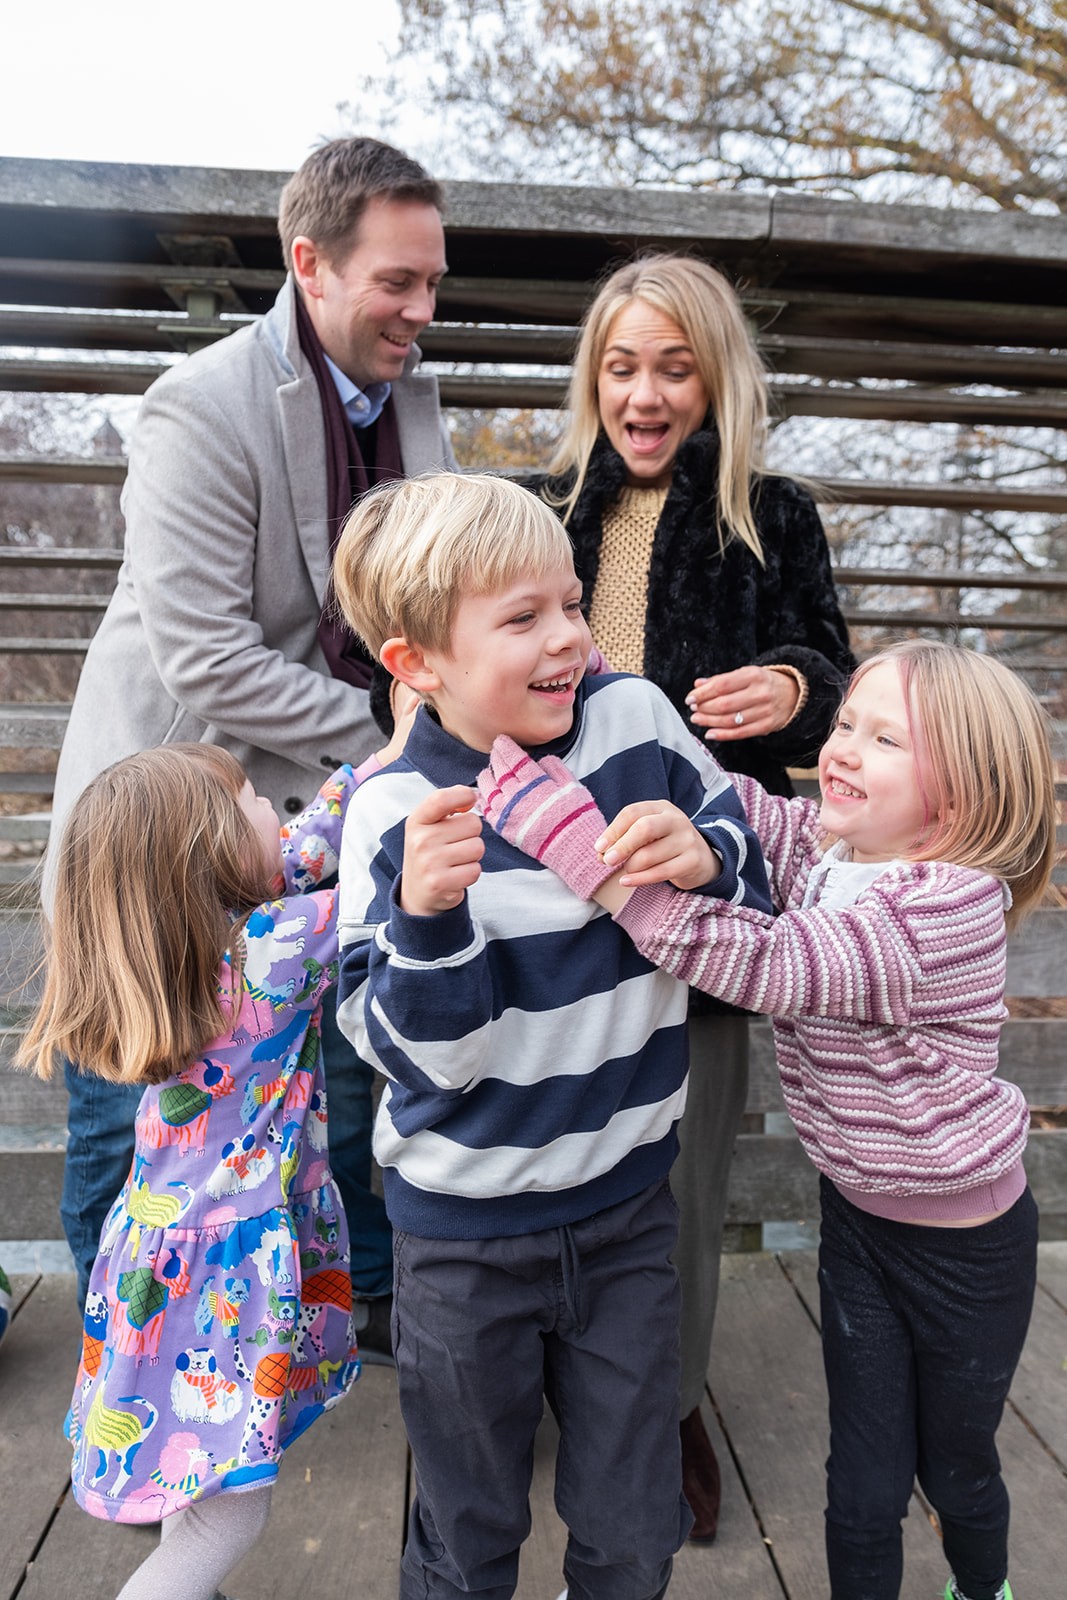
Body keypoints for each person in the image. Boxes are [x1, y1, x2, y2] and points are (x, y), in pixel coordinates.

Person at [480, 639, 1056, 1600]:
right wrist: (600, 677)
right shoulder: (836, 852)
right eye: (841, 725)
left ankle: (977, 1588)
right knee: (863, 1475)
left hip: (967, 1253)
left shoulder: (948, 907)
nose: (840, 748)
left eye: (883, 739)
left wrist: (590, 858)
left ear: (958, 795)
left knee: (954, 1469)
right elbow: (728, 796)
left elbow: (770, 964)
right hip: (862, 1228)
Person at [329, 471, 772, 1600]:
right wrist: (428, 922)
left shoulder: (633, 717)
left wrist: (706, 848)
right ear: (415, 664)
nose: (567, 636)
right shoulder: (391, 813)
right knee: (466, 1534)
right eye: (521, 618)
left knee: (633, 1530)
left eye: (569, 603)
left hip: (627, 1214)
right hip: (463, 1244)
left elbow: (747, 851)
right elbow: (423, 1061)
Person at [45, 136, 454, 1350]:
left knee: (329, 1080)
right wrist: (396, 733)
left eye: (434, 282)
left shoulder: (413, 405)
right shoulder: (201, 405)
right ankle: (121, 1367)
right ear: (310, 264)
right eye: (398, 283)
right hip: (163, 815)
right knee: (129, 1105)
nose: (422, 311)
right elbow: (204, 659)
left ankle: (342, 1331)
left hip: (306, 817)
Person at [522, 251, 856, 1537]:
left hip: (706, 890)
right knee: (551, 1150)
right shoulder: (534, 507)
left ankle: (661, 1408)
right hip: (551, 886)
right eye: (621, 366)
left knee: (682, 1168)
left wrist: (788, 685)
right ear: (590, 376)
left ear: (715, 378)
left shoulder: (771, 514)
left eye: (673, 367)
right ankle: (549, 1377)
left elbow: (832, 669)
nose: (644, 393)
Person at [18, 743, 368, 1600]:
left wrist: (375, 762)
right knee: (231, 1516)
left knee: (192, 1469)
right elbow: (376, 889)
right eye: (254, 800)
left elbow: (301, 849)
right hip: (226, 1271)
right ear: (209, 855)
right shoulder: (273, 958)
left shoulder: (180, 960)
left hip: (156, 1260)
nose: (275, 817)